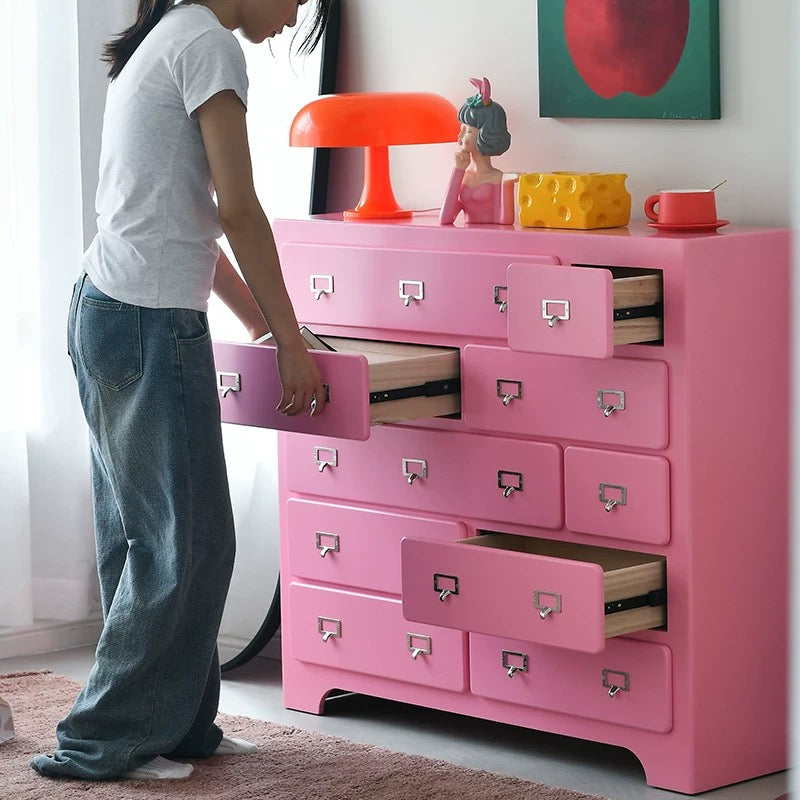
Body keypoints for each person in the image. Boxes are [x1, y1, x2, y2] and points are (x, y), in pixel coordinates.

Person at [31, 0, 330, 783]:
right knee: (181, 543)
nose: (298, 8)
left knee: (161, 537)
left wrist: (262, 325)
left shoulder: (171, 38)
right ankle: (103, 742)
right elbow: (238, 210)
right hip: (147, 324)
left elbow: (186, 220)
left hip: (113, 308)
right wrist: (292, 339)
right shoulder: (206, 46)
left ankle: (179, 727)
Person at [438, 77, 515, 226]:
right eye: (461, 130)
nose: (459, 136)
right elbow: (445, 219)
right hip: (465, 242)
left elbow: (504, 221)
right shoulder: (464, 176)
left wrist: (507, 186)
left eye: (468, 131)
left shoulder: (498, 177)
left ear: (485, 133)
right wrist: (458, 170)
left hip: (492, 242)